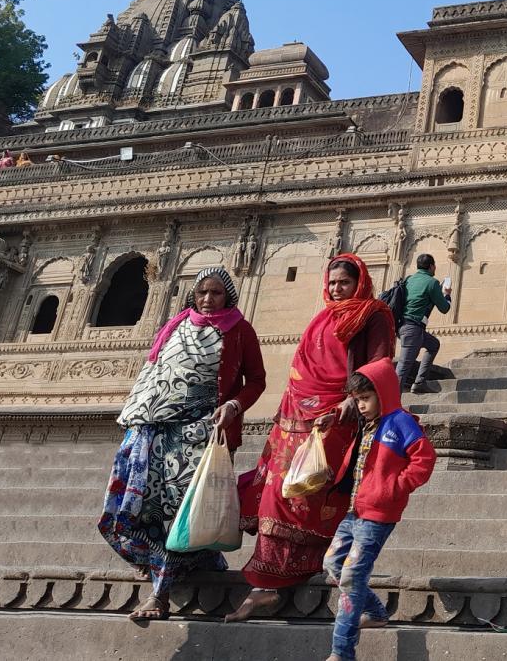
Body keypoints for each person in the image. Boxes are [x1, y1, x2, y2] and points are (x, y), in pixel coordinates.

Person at [229, 254, 395, 622]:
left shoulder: (373, 314)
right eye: (332, 283)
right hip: (294, 418)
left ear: (360, 282)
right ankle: (265, 583)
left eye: (344, 283)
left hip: (336, 419)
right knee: (278, 492)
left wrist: (354, 399)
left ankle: (306, 568)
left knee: (312, 495)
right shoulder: (322, 317)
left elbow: (380, 364)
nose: (337, 290)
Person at [99, 267, 266, 621]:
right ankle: (178, 560)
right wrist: (135, 417)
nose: (208, 299)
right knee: (141, 504)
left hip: (201, 432)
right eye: (202, 292)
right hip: (153, 427)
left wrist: (233, 406)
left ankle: (159, 595)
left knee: (179, 510)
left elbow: (257, 381)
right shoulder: (176, 325)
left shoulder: (239, 330)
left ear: (229, 297)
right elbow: (154, 369)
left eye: (216, 293)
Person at [323, 360, 435, 661]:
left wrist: (395, 488)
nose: (360, 405)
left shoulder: (400, 421)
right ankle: (375, 611)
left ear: (383, 393)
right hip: (353, 511)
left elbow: (423, 460)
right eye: (357, 400)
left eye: (365, 399)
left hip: (378, 515)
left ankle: (342, 652)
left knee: (350, 577)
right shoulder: (367, 424)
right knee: (332, 563)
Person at [394, 253, 451, 394]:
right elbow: (444, 308)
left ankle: (420, 382)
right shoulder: (432, 282)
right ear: (431, 266)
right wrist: (447, 294)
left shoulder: (409, 280)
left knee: (433, 345)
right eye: (434, 266)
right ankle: (391, 405)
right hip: (413, 328)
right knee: (403, 367)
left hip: (404, 327)